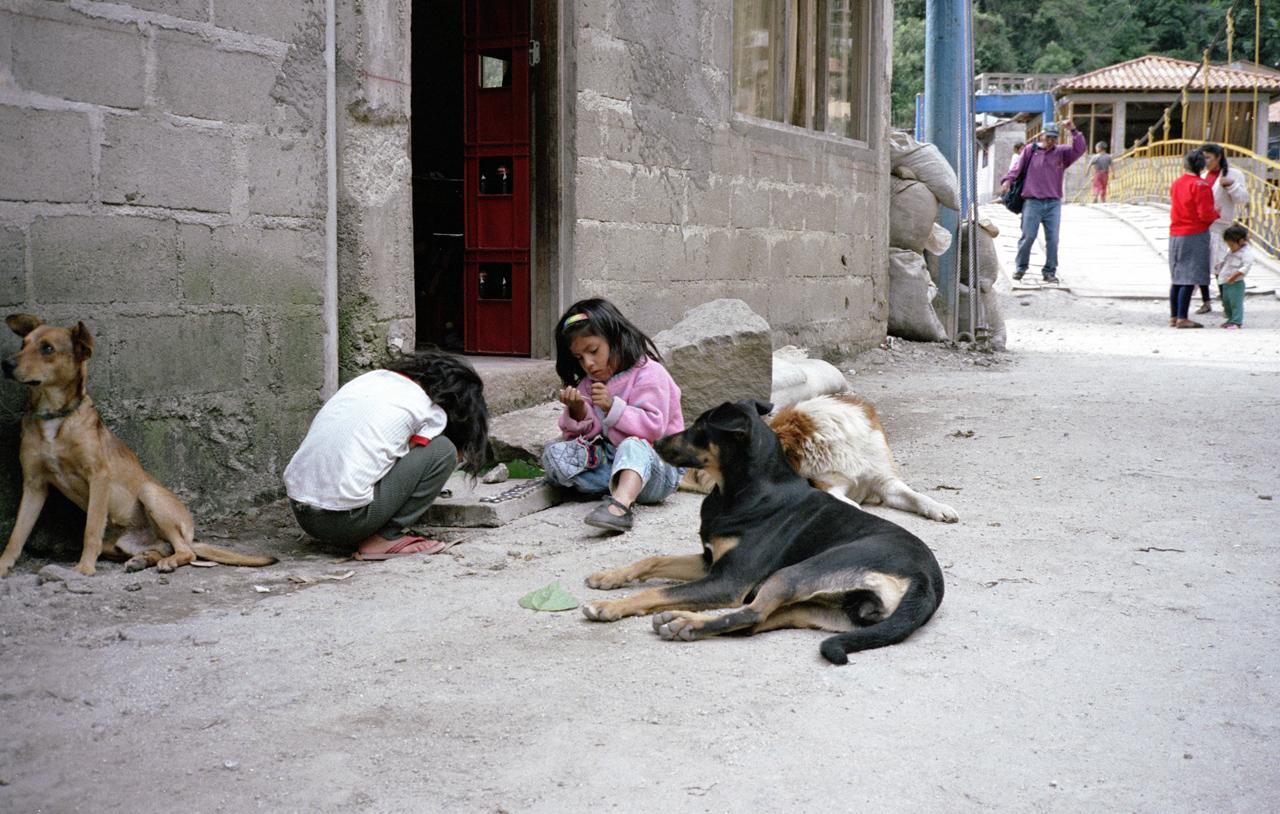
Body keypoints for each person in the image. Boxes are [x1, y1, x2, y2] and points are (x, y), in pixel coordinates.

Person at [284, 352, 489, 559]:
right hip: (343, 524)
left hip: (303, 514)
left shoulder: (371, 379)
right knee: (443, 450)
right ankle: (383, 538)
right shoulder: (430, 411)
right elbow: (412, 457)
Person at [541, 298, 684, 533]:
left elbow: (654, 427)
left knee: (632, 446)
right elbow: (589, 436)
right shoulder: (590, 383)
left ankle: (620, 506)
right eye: (579, 358)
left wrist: (612, 407)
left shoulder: (650, 373)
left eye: (593, 351)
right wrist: (578, 411)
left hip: (659, 467)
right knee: (554, 453)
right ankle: (609, 486)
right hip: (612, 463)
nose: (588, 363)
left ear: (616, 339)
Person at [1000, 120, 1087, 284]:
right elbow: (1016, 170)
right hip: (1032, 202)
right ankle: (1021, 267)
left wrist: (1073, 130)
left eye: (1054, 138)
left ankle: (1049, 271)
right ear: (1041, 135)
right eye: (1048, 137)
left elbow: (1080, 149)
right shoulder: (1030, 151)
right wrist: (1007, 181)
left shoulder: (1061, 153)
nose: (1051, 141)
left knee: (1053, 239)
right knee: (1028, 237)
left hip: (1053, 203)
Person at [1167, 149, 1219, 329]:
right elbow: (1205, 214)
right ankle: (1183, 317)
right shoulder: (1201, 185)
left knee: (1177, 277)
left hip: (1175, 233)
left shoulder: (1177, 183)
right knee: (1190, 276)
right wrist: (1216, 213)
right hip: (1194, 234)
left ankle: (1174, 316)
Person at [1196, 143, 1250, 315]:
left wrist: (1231, 186)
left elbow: (1242, 199)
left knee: (1221, 266)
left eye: (1208, 157)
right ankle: (1206, 301)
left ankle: (1227, 303)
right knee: (1202, 265)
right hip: (1202, 226)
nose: (1205, 161)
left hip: (1221, 227)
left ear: (1218, 157)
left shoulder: (1234, 174)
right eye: (1203, 157)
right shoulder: (1203, 175)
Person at [1214, 224, 1253, 330]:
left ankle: (1237, 321)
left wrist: (1234, 276)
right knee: (1226, 302)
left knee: (1235, 302)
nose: (1230, 247)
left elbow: (1246, 267)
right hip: (1226, 280)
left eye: (1231, 245)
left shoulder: (1246, 253)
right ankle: (1230, 319)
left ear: (1240, 241)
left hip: (1236, 282)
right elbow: (1226, 260)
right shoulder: (1231, 250)